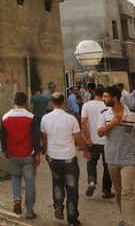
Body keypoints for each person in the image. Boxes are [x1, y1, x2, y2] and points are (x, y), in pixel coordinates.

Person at [98, 85, 135, 226]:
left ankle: (132, 223)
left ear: (114, 99)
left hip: (129, 159)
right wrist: (112, 123)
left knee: (127, 192)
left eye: (106, 97)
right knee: (119, 192)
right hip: (111, 158)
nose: (103, 99)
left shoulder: (132, 115)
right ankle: (126, 219)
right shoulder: (104, 114)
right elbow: (100, 133)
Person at [40, 92, 91, 226]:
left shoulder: (45, 118)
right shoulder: (71, 119)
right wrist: (86, 151)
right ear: (64, 103)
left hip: (53, 157)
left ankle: (58, 205)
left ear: (51, 103)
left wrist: (46, 150)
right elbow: (78, 138)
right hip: (69, 157)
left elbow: (44, 137)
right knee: (72, 188)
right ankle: (72, 219)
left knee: (57, 182)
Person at [0, 91, 41, 220]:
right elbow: (35, 136)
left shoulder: (5, 117)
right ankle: (29, 211)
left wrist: (5, 150)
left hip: (13, 154)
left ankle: (17, 199)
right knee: (30, 183)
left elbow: (3, 137)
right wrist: (37, 153)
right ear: (26, 103)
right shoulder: (31, 117)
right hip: (28, 154)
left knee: (16, 178)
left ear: (14, 102)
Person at [80, 84, 115, 199]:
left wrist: (87, 138)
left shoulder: (86, 105)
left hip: (93, 140)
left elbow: (83, 122)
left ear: (94, 93)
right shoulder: (109, 106)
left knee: (91, 162)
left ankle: (92, 182)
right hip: (107, 140)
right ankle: (106, 190)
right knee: (107, 165)